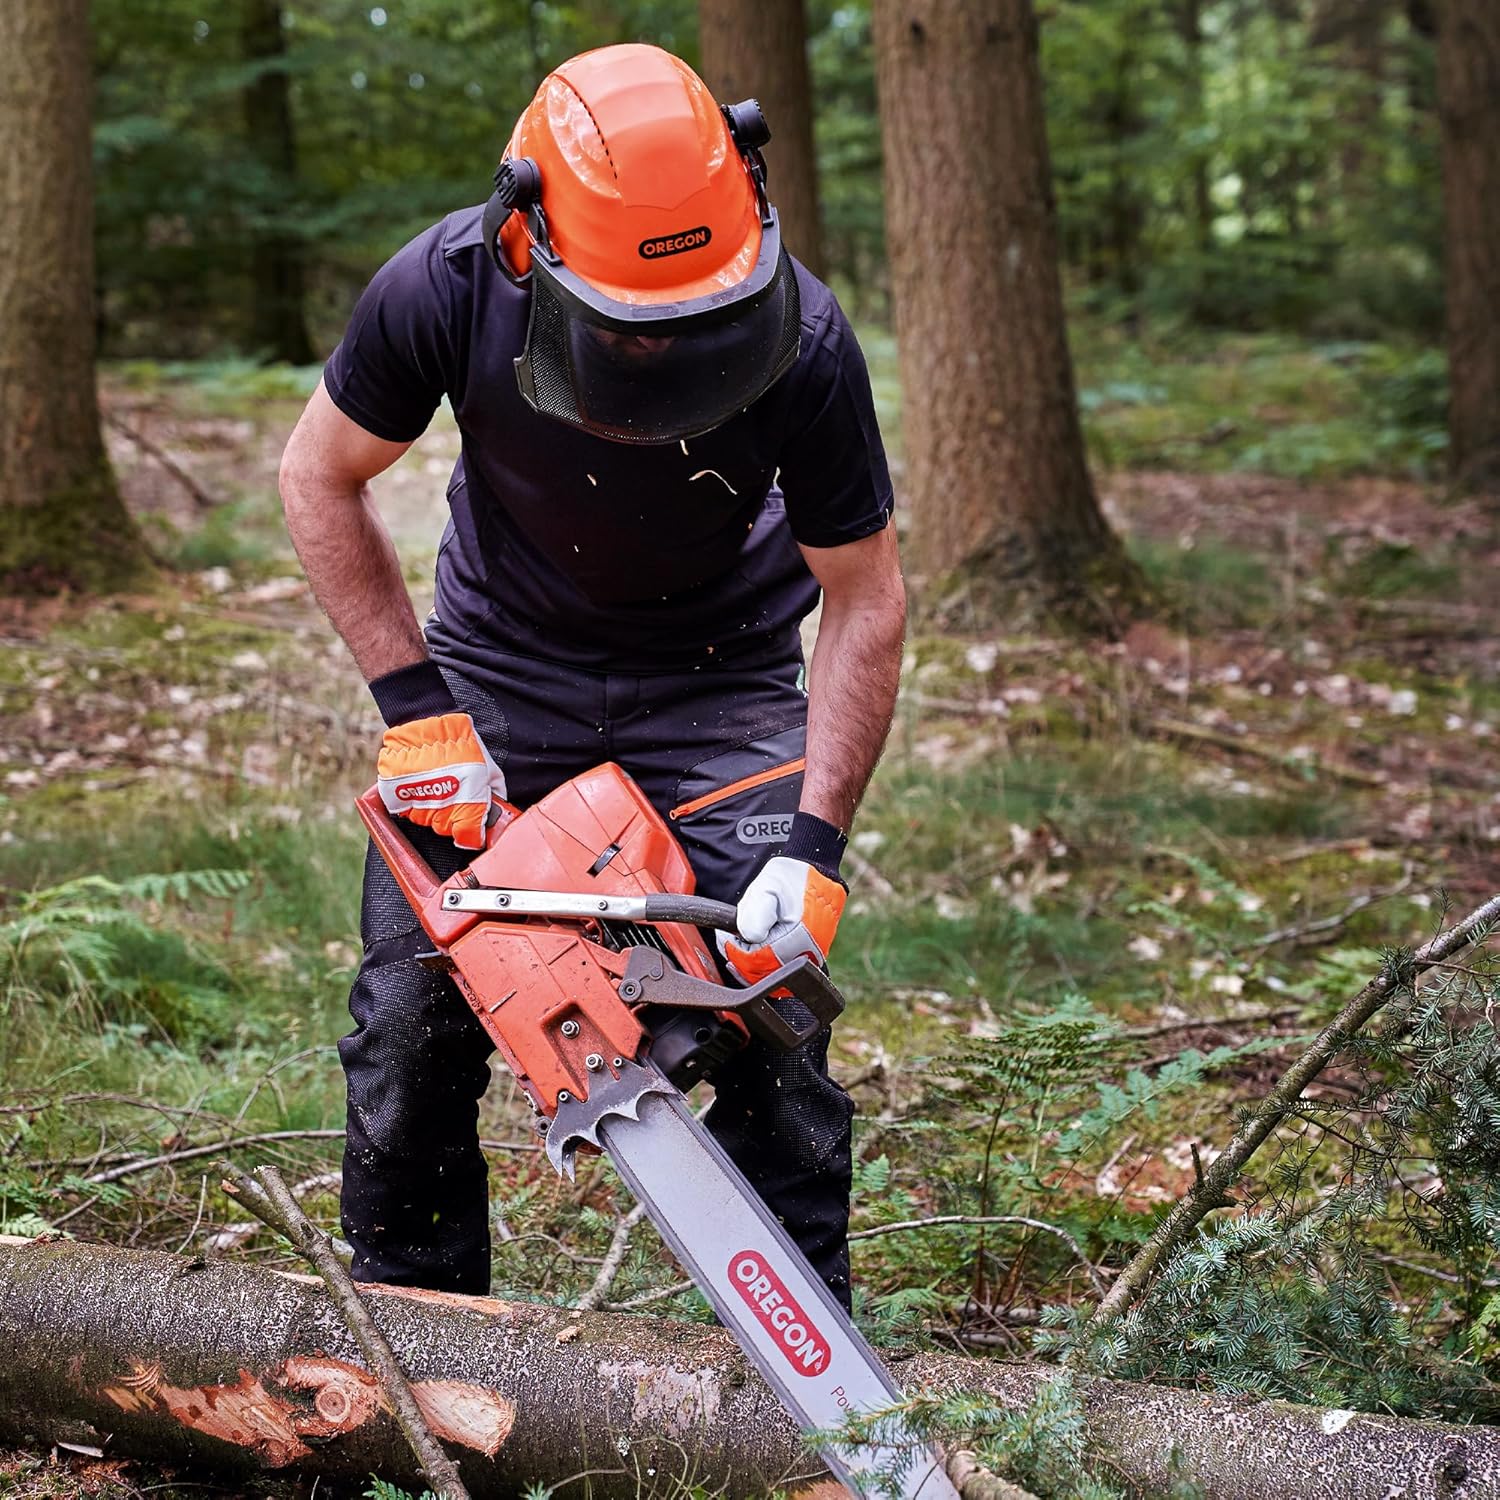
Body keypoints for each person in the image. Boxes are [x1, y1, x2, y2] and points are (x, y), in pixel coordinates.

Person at [278, 42, 902, 1311]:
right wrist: (419, 714)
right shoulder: (447, 285)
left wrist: (818, 851)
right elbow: (318, 474)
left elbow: (867, 596)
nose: (667, 365)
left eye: (699, 328)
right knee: (409, 1015)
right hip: (503, 667)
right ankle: (425, 1346)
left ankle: (816, 1382)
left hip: (721, 686)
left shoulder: (810, 339)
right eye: (634, 332)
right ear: (529, 242)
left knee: (778, 1014)